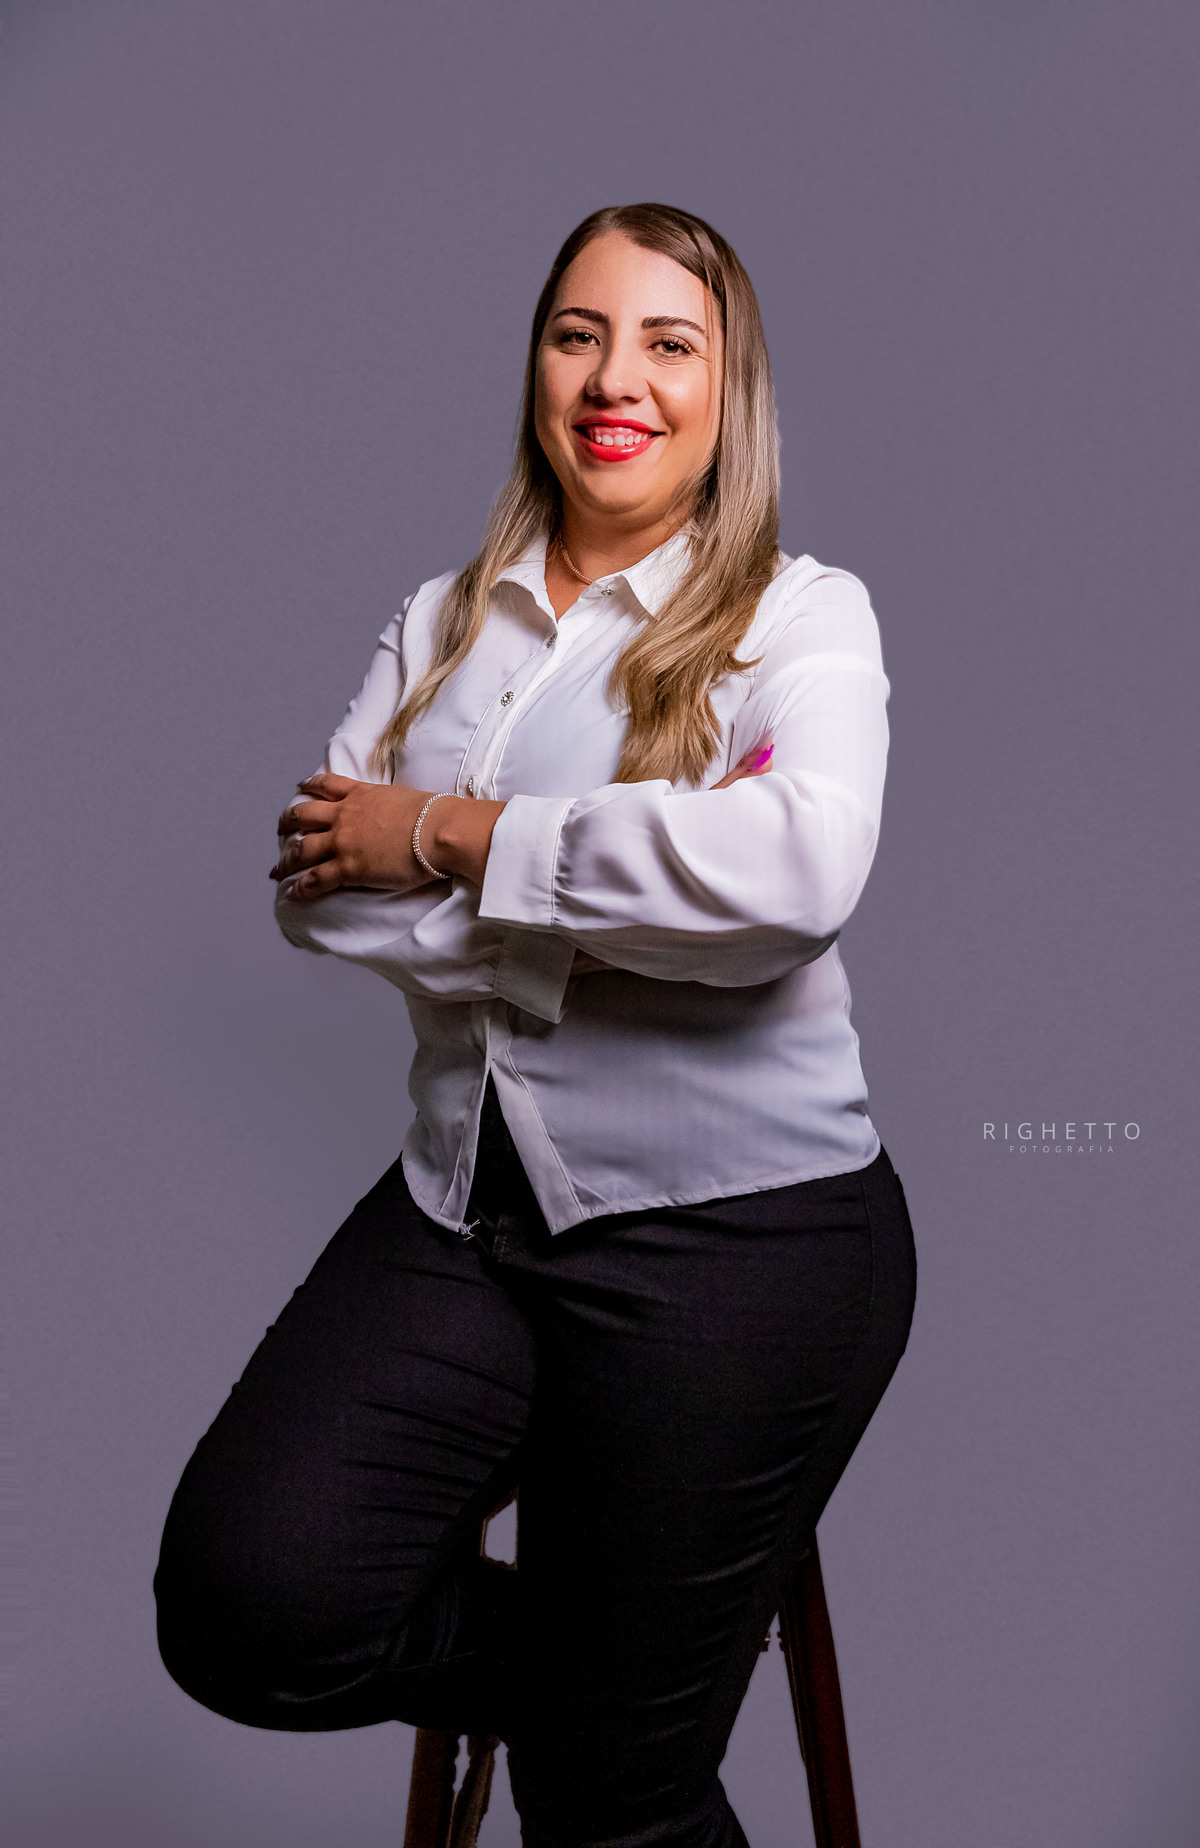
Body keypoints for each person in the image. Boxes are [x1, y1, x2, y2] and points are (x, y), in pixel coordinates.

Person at [155, 202, 917, 1848]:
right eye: (580, 335)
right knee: (248, 1607)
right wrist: (632, 909)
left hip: (746, 1245)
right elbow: (314, 895)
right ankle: (624, 1691)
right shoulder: (442, 621)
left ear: (729, 390)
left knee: (603, 1802)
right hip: (466, 1219)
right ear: (536, 369)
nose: (614, 378)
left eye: (668, 343)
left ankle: (624, 1731)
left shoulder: (799, 618)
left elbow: (791, 878)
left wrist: (441, 833)